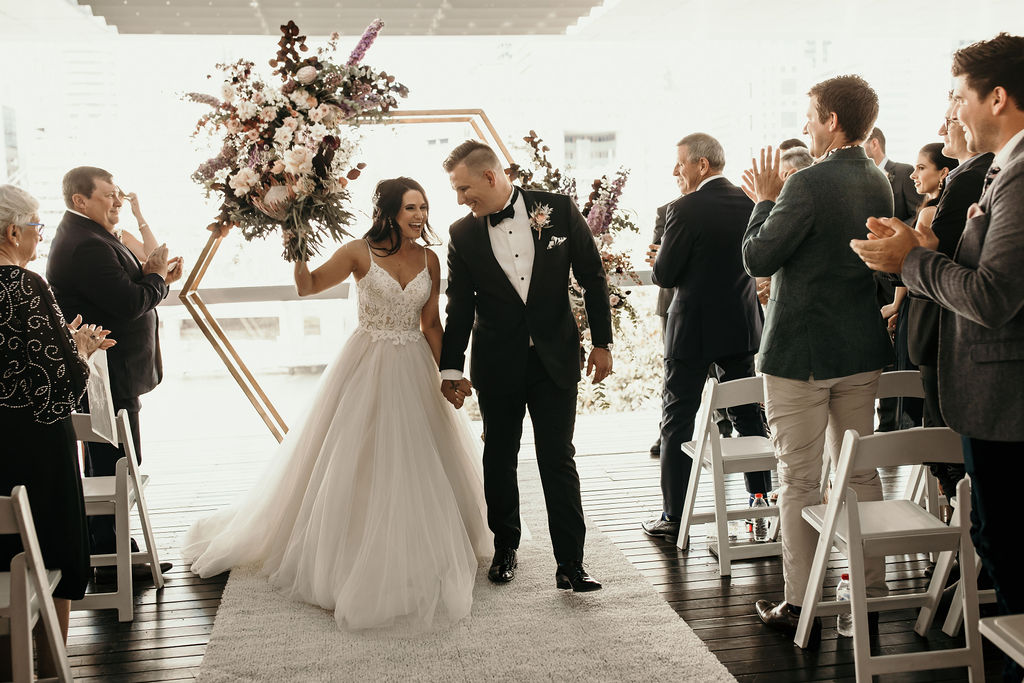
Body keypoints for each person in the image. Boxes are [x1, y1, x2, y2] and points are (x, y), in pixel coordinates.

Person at [184, 177, 491, 630]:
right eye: (410, 208)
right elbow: (307, 287)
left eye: (424, 207)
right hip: (366, 364)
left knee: (420, 457)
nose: (420, 216)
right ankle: (354, 544)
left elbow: (430, 322)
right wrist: (295, 238)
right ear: (388, 211)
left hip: (414, 367)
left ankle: (424, 541)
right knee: (361, 455)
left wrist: (448, 372)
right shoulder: (357, 252)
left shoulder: (429, 257)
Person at [851, 33, 1024, 682]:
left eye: (958, 95)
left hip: (1010, 410)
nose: (951, 109)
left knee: (1012, 574)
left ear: (997, 98)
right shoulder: (1002, 168)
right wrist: (922, 250)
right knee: (1001, 558)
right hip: (995, 403)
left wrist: (913, 261)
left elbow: (993, 295)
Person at [742, 75, 894, 643]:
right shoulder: (876, 177)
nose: (805, 123)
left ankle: (799, 602)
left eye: (810, 114)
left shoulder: (805, 183)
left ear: (832, 120)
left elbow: (758, 254)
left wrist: (762, 199)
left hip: (801, 352)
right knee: (860, 472)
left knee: (799, 479)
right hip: (859, 347)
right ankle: (867, 598)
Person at [439, 140, 612, 592]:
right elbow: (458, 306)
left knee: (558, 458)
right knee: (499, 455)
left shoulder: (556, 209)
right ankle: (506, 547)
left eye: (463, 188)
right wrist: (450, 369)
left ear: (491, 177)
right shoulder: (461, 234)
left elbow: (592, 277)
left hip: (555, 358)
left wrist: (602, 342)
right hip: (497, 363)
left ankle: (571, 564)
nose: (460, 199)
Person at [0, 184, 113, 675]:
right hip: (34, 442)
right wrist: (81, 350)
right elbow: (63, 385)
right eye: (36, 227)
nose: (39, 237)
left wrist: (62, 345)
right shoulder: (26, 286)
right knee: (53, 547)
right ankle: (50, 666)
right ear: (11, 231)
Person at [46, 167, 180, 577]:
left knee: (112, 463)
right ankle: (113, 559)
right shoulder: (86, 244)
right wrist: (155, 276)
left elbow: (126, 289)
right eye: (109, 195)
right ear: (80, 201)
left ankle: (108, 550)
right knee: (117, 464)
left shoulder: (93, 235)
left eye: (118, 194)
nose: (117, 201)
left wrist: (154, 275)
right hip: (108, 373)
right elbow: (126, 303)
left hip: (113, 371)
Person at [640, 133, 768, 542]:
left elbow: (665, 274)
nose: (677, 170)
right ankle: (761, 499)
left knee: (678, 418)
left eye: (681, 163)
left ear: (702, 165)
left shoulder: (684, 208)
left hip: (692, 330)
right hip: (739, 325)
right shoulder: (750, 203)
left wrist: (659, 256)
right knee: (747, 413)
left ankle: (674, 516)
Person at [881, 143, 956, 427]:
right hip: (912, 301)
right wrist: (897, 303)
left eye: (922, 168)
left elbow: (913, 260)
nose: (913, 174)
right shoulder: (930, 209)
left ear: (943, 173)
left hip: (921, 305)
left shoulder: (928, 215)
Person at [649, 174, 688, 457]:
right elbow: (656, 259)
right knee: (672, 371)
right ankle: (666, 431)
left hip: (710, 302)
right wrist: (663, 256)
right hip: (672, 300)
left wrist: (670, 255)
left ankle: (723, 424)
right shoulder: (666, 210)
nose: (676, 175)